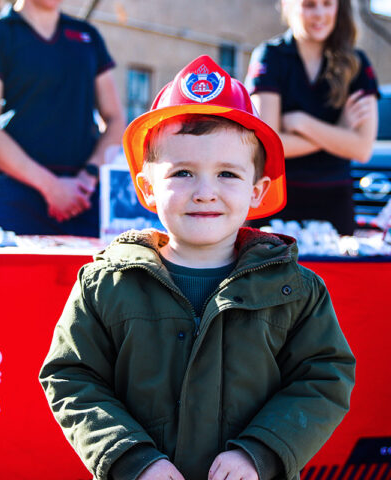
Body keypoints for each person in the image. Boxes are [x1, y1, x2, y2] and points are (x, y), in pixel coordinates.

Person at [39, 55, 355, 480]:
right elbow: (71, 378)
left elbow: (324, 379)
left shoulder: (296, 291)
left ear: (257, 191)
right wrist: (132, 459)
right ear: (147, 189)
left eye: (227, 174)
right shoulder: (105, 285)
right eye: (183, 172)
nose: (205, 192)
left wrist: (260, 452)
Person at [0, 0, 125, 236]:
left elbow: (116, 120)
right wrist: (51, 187)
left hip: (85, 197)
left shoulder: (87, 36)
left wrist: (89, 177)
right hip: (20, 200)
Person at [245, 0, 379, 234]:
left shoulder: (356, 64)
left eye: (327, 4)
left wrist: (301, 123)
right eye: (309, 5)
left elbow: (362, 148)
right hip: (275, 199)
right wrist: (340, 134)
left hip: (334, 202)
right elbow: (268, 144)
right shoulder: (270, 56)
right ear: (288, 5)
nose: (319, 14)